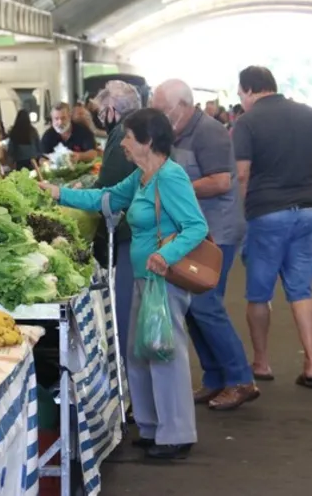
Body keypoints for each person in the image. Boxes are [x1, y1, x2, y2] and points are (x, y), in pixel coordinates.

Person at [39, 108, 209, 460]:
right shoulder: (141, 177)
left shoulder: (170, 177)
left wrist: (167, 254)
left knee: (164, 352)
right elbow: (106, 199)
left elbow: (196, 226)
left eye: (129, 138)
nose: (123, 146)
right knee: (138, 352)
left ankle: (176, 433)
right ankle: (149, 427)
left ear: (148, 141)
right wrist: (57, 193)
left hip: (164, 281)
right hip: (144, 279)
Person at [232, 66, 312, 389]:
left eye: (241, 93)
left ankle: (262, 362)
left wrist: (237, 217)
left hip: (265, 215)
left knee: (258, 293)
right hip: (308, 212)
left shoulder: (247, 122)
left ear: (250, 89)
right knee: (301, 291)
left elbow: (241, 175)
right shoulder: (310, 115)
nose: (241, 99)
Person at [153, 79, 258, 410]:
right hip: (197, 233)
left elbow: (221, 181)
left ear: (183, 106)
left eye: (162, 110)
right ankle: (215, 379)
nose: (159, 116)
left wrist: (172, 188)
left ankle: (241, 379)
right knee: (194, 308)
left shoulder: (208, 132)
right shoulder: (179, 132)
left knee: (205, 304)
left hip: (218, 231)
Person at [88, 80, 143, 369]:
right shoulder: (139, 129)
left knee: (127, 307)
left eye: (101, 112)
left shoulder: (122, 134)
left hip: (130, 235)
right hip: (141, 232)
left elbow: (109, 189)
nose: (100, 118)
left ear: (111, 110)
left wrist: (64, 195)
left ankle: (128, 371)